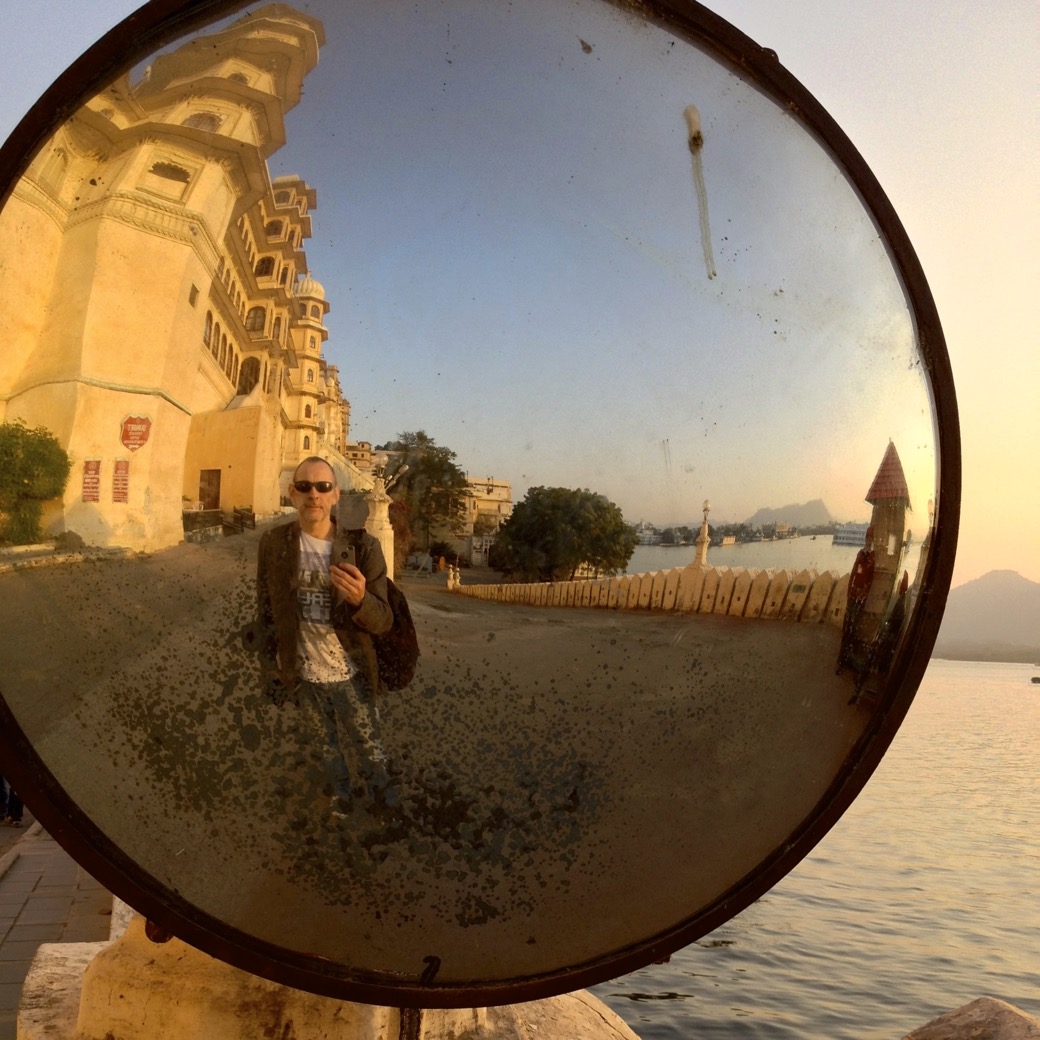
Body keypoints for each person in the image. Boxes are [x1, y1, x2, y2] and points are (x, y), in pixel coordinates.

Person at [257, 456, 395, 817]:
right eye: (304, 487)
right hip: (304, 674)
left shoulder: (364, 548)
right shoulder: (273, 544)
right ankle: (341, 797)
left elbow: (383, 621)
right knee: (324, 745)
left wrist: (361, 600)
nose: (313, 495)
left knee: (369, 745)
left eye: (323, 487)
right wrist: (269, 668)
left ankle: (383, 801)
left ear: (336, 496)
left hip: (354, 673)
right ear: (292, 494)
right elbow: (266, 612)